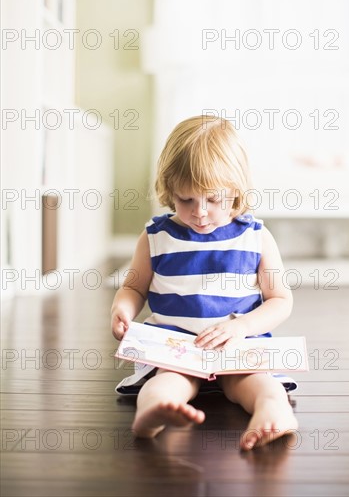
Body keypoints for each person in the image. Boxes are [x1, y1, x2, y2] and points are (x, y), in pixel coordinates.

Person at [111, 115, 298, 450]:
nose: (199, 212)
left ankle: (274, 412)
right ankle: (156, 412)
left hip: (237, 345)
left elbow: (280, 299)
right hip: (177, 347)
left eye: (213, 200)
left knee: (258, 384)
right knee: (166, 383)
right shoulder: (156, 237)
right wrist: (122, 309)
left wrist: (242, 327)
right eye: (186, 200)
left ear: (237, 192)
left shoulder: (255, 237)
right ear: (170, 190)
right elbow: (134, 288)